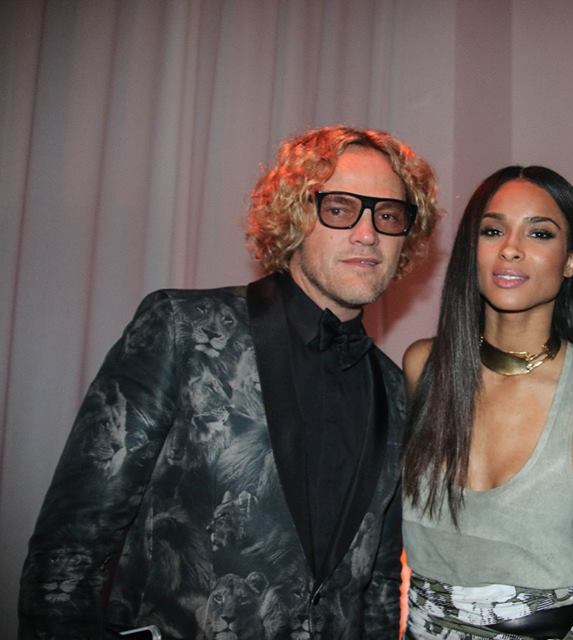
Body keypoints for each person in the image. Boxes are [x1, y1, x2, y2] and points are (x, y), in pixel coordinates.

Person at [18, 125, 440, 639]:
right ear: (293, 215)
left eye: (388, 215)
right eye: (339, 207)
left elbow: (378, 586)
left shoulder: (396, 389)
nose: (368, 233)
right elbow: (71, 550)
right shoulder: (182, 330)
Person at [401, 166, 573, 639]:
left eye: (539, 233)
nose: (510, 248)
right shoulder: (424, 368)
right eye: (492, 231)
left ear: (572, 261)